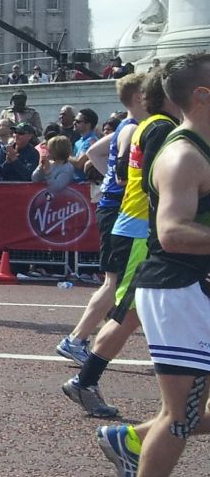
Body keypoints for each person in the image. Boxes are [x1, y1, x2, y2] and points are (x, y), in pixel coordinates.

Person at [103, 52, 210, 477]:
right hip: (178, 291)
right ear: (202, 95)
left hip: (194, 288)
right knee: (181, 414)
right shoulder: (182, 154)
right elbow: (171, 232)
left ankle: (130, 439)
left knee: (186, 412)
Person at [64, 72, 178, 418]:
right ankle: (84, 374)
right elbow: (155, 183)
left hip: (142, 227)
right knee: (127, 310)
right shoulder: (158, 127)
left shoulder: (148, 125)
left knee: (138, 308)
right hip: (142, 230)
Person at [57, 74, 144, 367]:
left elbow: (94, 153)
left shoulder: (124, 125)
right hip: (119, 207)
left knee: (117, 282)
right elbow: (119, 171)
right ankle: (77, 338)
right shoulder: (133, 128)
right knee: (114, 282)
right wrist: (119, 183)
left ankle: (90, 334)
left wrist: (109, 181)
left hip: (112, 205)